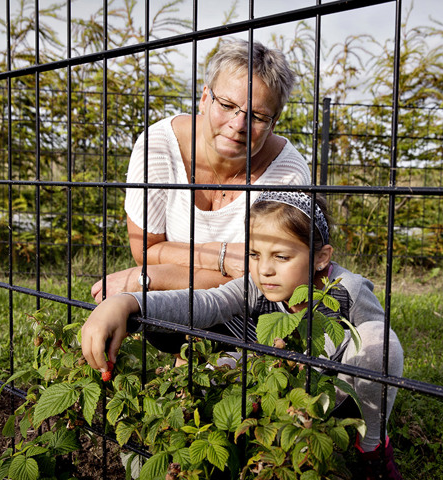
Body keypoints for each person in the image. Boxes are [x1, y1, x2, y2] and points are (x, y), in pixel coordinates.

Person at [81, 191, 405, 480]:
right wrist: (129, 303)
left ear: (321, 258)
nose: (264, 269)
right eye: (254, 254)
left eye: (281, 256)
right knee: (220, 364)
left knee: (380, 340)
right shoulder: (255, 286)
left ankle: (373, 451)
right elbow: (205, 303)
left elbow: (380, 356)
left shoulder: (347, 291)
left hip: (338, 394)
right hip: (278, 394)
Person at [90, 38, 311, 304]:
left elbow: (270, 281)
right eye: (227, 105)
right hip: (179, 305)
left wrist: (151, 278)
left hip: (248, 310)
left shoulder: (288, 172)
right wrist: (224, 256)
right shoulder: (158, 147)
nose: (238, 124)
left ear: (274, 122)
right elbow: (146, 251)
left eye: (257, 116)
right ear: (205, 99)